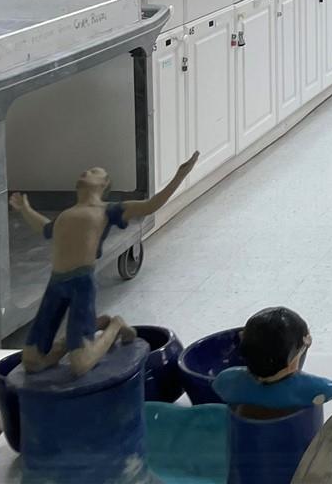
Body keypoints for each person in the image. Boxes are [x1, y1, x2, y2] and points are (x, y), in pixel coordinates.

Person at [10, 152, 199, 376]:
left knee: (80, 365)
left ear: (104, 183)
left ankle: (115, 324)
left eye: (94, 172)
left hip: (81, 284)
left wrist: (179, 176)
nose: (86, 171)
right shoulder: (66, 214)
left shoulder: (107, 210)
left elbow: (150, 205)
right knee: (31, 361)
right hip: (56, 284)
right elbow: (45, 228)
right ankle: (81, 335)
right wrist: (25, 209)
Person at [213, 307, 332, 414]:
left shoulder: (227, 379)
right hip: (296, 434)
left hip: (243, 432)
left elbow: (217, 385)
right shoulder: (313, 388)